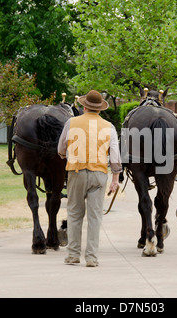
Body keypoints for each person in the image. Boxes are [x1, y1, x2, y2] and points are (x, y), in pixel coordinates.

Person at [58, 90, 122, 267]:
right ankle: (92, 258)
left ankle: (72, 255)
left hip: (76, 172)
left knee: (74, 214)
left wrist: (66, 155)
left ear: (84, 106)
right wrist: (115, 179)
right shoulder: (109, 127)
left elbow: (61, 148)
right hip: (99, 174)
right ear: (100, 109)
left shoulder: (71, 123)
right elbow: (115, 156)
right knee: (95, 217)